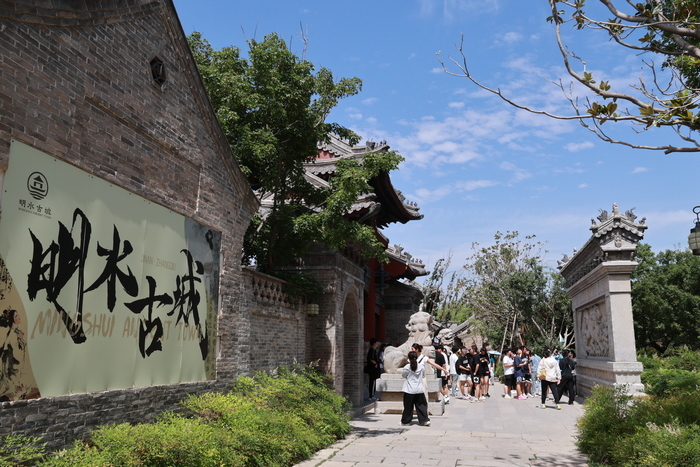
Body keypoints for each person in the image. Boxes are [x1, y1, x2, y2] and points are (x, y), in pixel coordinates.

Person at [400, 351, 430, 426]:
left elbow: (403, 376)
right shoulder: (421, 367)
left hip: (409, 389)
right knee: (422, 406)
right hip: (419, 389)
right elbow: (423, 376)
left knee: (408, 407)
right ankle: (424, 420)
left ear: (409, 358)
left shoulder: (407, 367)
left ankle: (406, 421)